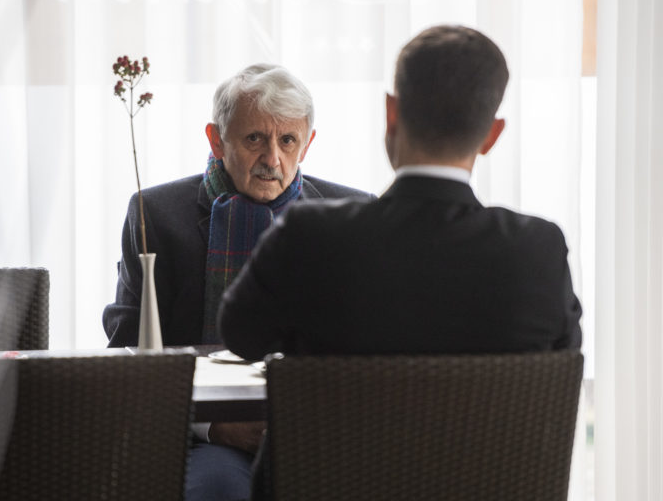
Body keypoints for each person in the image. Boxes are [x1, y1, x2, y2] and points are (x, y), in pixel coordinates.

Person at [219, 25, 582, 500]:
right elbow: (556, 380)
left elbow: (240, 336)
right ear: (492, 136)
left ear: (391, 113)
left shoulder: (309, 235)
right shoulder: (540, 251)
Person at [103, 63, 372, 501]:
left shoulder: (353, 214)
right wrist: (213, 426)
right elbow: (128, 356)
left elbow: (370, 350)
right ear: (216, 139)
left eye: (288, 141)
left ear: (307, 145)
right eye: (254, 140)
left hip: (319, 430)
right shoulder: (156, 215)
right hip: (208, 437)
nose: (272, 159)